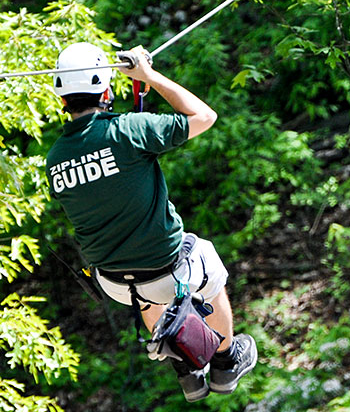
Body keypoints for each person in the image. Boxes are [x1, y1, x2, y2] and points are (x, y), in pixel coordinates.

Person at [45, 42, 257, 402]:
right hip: (165, 269)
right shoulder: (128, 130)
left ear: (63, 98)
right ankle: (225, 360)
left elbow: (102, 167)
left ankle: (187, 371)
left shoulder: (54, 159)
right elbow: (204, 117)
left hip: (114, 282)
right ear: (105, 89)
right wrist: (148, 75)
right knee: (204, 258)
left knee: (146, 291)